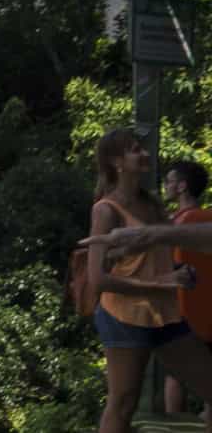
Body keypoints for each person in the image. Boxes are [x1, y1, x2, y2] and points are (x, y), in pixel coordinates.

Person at [85, 129, 212, 433]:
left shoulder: (153, 205)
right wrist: (163, 282)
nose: (143, 154)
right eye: (134, 149)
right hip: (123, 317)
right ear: (116, 162)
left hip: (165, 315)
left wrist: (181, 273)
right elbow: (98, 280)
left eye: (141, 148)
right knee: (123, 402)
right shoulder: (105, 210)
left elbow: (169, 248)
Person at [166, 160, 212, 427]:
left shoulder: (175, 225)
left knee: (175, 376)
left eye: (170, 181)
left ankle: (176, 428)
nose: (167, 185)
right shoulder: (207, 219)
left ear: (182, 187)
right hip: (208, 311)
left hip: (182, 312)